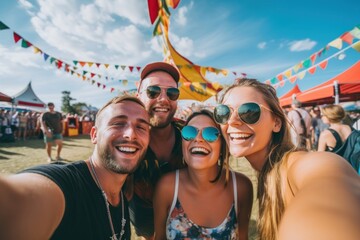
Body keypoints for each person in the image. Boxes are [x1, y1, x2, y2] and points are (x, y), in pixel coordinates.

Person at [213, 78, 360, 240]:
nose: (232, 121)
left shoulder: (304, 165)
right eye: (224, 113)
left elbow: (327, 179)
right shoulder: (267, 174)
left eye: (249, 112)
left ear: (276, 123)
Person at [0, 95, 150, 240]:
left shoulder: (123, 195)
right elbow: (18, 202)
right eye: (118, 123)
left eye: (141, 127)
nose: (131, 134)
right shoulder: (67, 184)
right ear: (94, 135)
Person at [153, 109, 253, 240]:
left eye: (210, 134)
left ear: (222, 144)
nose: (198, 139)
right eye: (189, 132)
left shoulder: (241, 187)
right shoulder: (167, 187)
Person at [128, 62, 186, 239]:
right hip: (144, 214)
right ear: (139, 95)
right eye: (153, 91)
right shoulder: (125, 142)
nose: (163, 99)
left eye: (172, 92)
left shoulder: (190, 136)